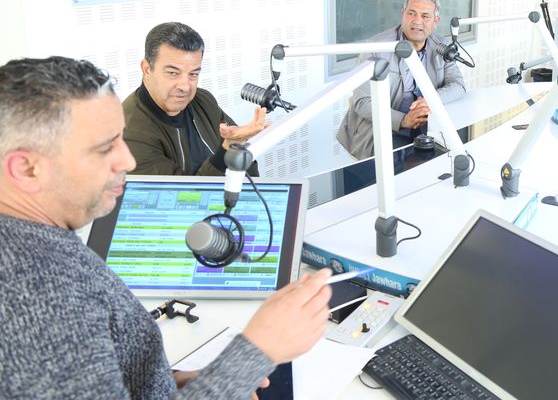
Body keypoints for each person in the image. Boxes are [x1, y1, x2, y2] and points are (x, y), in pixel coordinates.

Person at [0, 56, 333, 399]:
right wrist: (256, 351)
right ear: (26, 169)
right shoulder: (38, 293)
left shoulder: (36, 245)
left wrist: (165, 384)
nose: (128, 161)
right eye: (105, 148)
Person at [123, 22, 268, 175]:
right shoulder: (130, 133)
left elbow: (245, 161)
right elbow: (183, 190)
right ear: (147, 69)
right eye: (173, 73)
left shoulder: (203, 100)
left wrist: (237, 145)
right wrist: (228, 150)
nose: (185, 86)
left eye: (193, 74)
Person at [337, 0, 467, 160]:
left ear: (436, 22)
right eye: (411, 13)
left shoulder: (441, 46)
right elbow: (362, 102)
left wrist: (431, 100)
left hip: (427, 131)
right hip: (386, 130)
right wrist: (403, 120)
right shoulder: (377, 47)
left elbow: (458, 85)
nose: (417, 21)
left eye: (425, 16)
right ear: (403, 14)